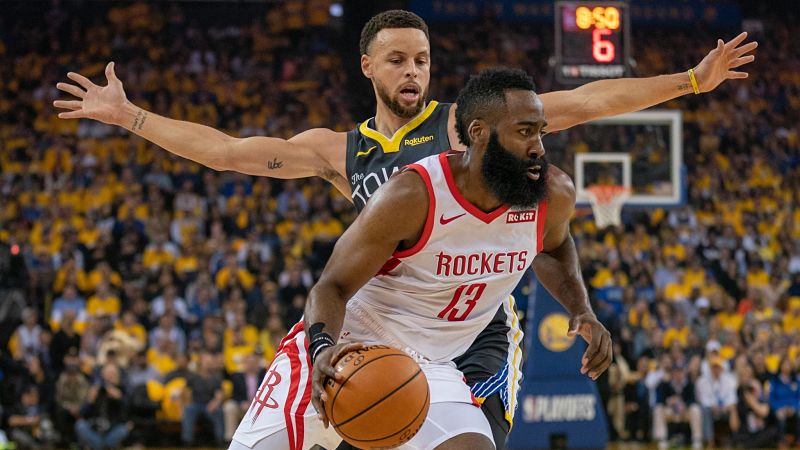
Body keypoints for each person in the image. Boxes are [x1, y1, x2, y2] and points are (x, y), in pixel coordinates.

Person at [54, 10, 757, 448]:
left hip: (471, 329)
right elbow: (227, 150)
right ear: (368, 67)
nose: (413, 70)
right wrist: (129, 117)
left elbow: (582, 100)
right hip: (376, 319)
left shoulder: (466, 125)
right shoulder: (339, 150)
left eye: (421, 59)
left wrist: (689, 81)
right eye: (397, 59)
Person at [228, 68, 607, 449]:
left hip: (430, 364)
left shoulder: (551, 193)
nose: (539, 146)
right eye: (525, 131)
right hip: (348, 344)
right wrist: (322, 348)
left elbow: (554, 247)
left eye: (541, 131)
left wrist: (581, 309)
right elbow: (332, 286)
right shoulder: (413, 195)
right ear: (478, 134)